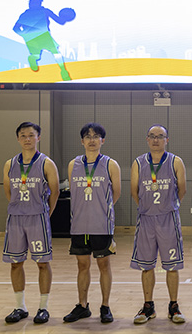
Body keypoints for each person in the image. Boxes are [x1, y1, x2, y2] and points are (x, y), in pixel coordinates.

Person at [2, 122, 60, 324]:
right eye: (23, 135)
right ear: (18, 138)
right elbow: (8, 191)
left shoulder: (46, 163)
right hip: (16, 219)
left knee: (42, 262)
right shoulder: (10, 164)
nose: (27, 139)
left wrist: (45, 213)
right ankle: (20, 307)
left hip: (37, 218)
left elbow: (55, 192)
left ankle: (43, 308)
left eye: (31, 135)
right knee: (15, 263)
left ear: (38, 137)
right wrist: (19, 207)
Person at [63, 123, 121, 324]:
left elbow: (116, 193)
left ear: (102, 140)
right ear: (82, 141)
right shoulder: (73, 164)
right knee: (82, 265)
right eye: (88, 136)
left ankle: (105, 306)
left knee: (104, 264)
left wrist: (100, 210)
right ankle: (82, 305)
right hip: (79, 225)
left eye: (96, 136)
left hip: (101, 225)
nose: (92, 140)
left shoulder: (111, 164)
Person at [129, 124, 188, 324]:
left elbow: (182, 190)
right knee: (146, 266)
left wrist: (167, 207)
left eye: (160, 136)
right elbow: (134, 191)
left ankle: (174, 306)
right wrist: (147, 208)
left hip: (168, 219)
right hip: (146, 220)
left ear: (167, 140)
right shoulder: (138, 163)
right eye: (152, 136)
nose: (156, 140)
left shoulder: (175, 162)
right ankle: (148, 306)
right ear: (147, 139)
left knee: (172, 266)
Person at [12, 0, 75, 81]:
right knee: (54, 53)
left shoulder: (26, 14)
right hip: (41, 36)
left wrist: (25, 35)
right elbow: (60, 21)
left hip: (35, 38)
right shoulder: (43, 11)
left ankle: (63, 71)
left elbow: (16, 28)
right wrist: (65, 17)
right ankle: (63, 71)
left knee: (49, 53)